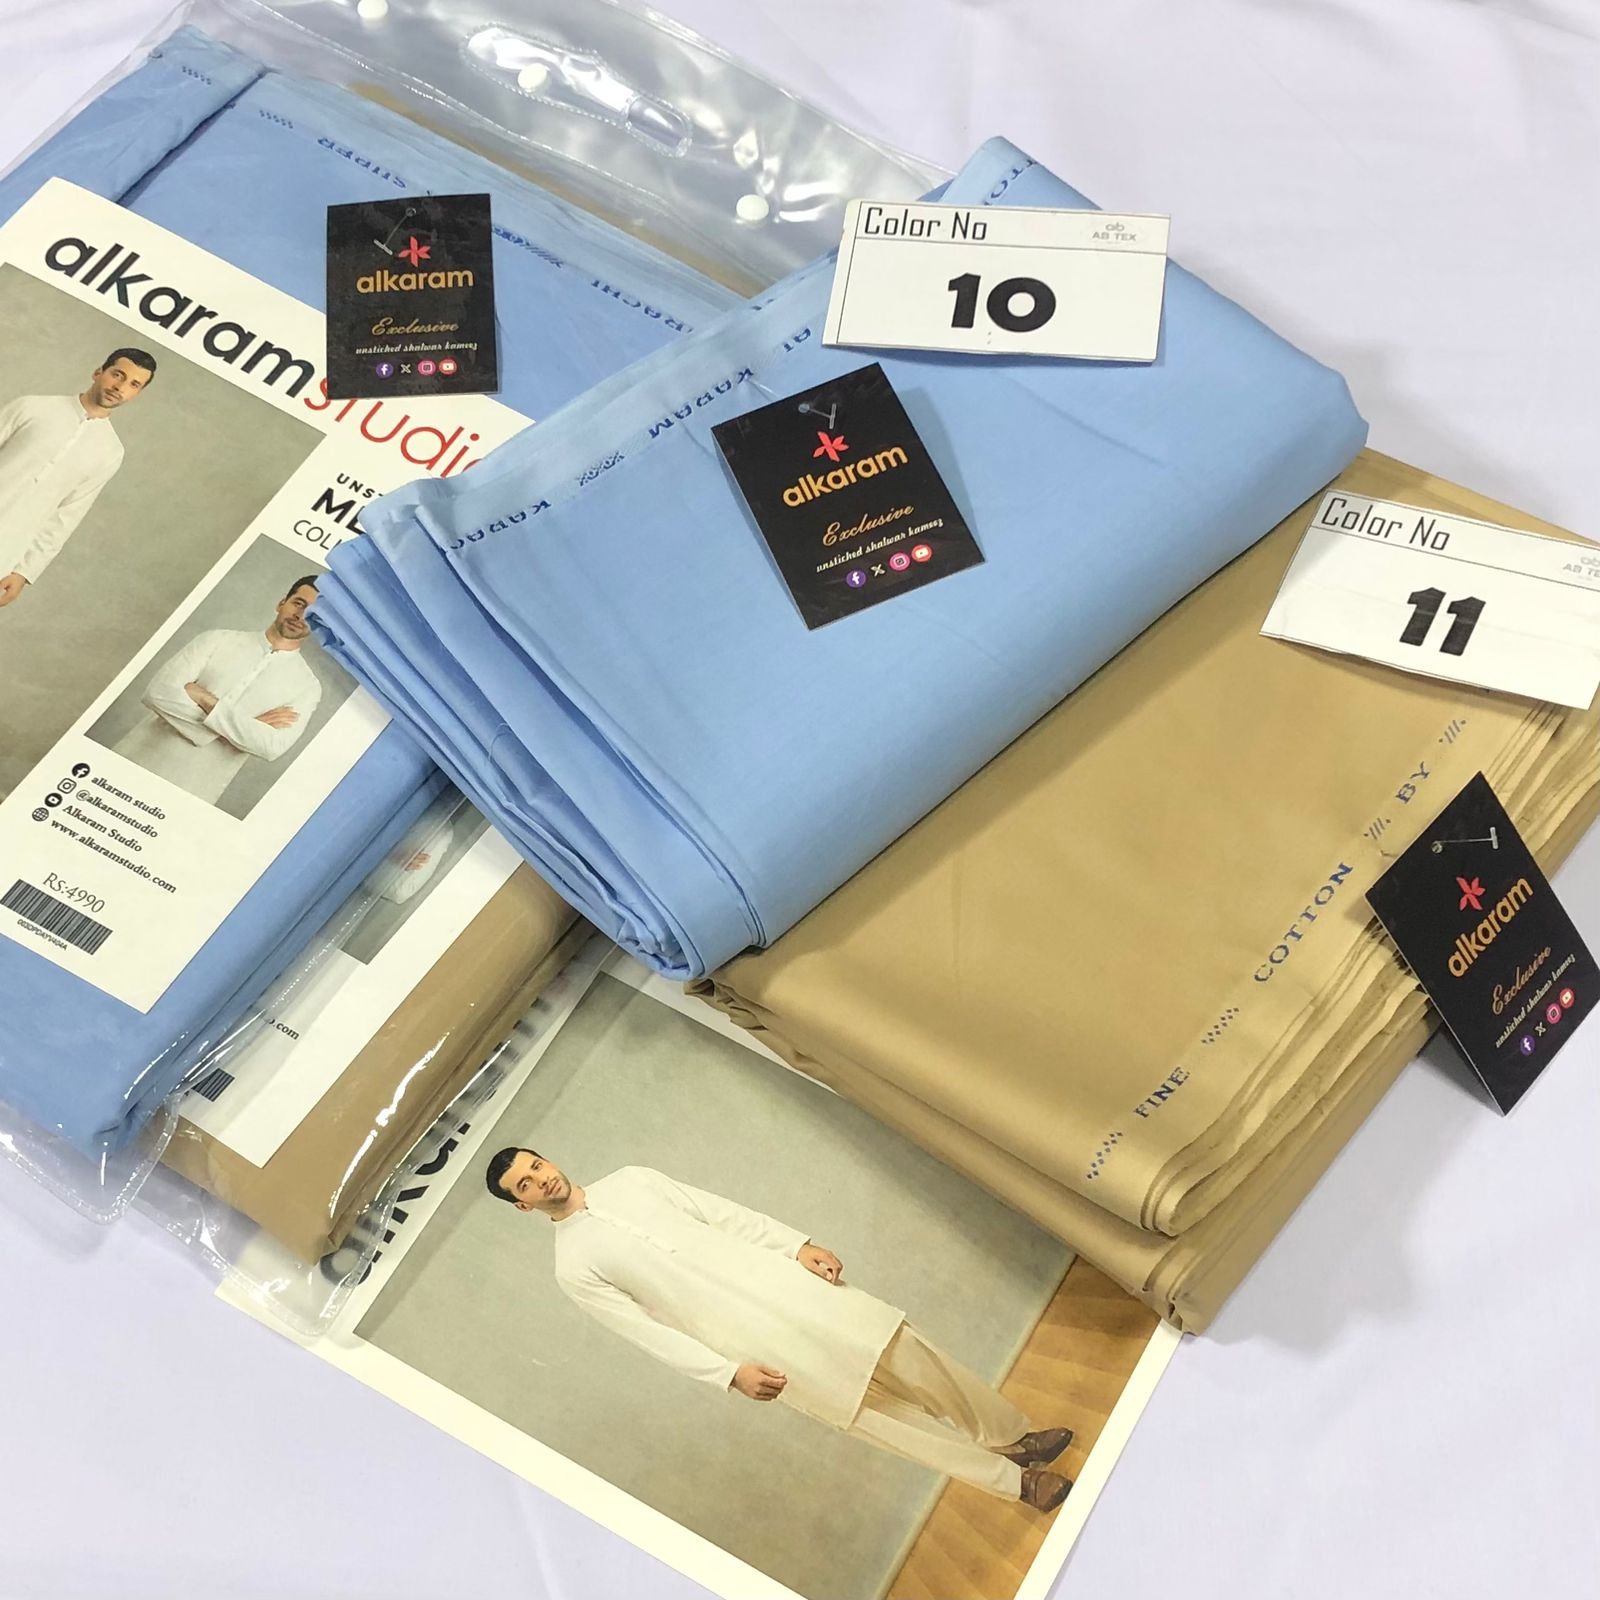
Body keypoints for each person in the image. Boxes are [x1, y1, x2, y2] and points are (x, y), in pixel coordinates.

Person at [485, 1151, 1076, 1511]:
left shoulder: (632, 1179)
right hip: (749, 1341)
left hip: (791, 1287)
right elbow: (647, 1334)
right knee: (878, 1417)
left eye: (536, 1166)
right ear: (521, 1206)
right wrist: (727, 1374)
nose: (540, 1180)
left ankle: (1014, 1438)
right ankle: (1017, 1484)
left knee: (910, 1353)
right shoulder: (573, 1266)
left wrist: (797, 1245)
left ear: (548, 1160)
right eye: (524, 1185)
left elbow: (724, 1214)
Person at [112, 574, 325, 804]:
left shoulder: (307, 686)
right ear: (281, 603)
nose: (300, 616)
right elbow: (157, 693)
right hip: (133, 762)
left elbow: (271, 747)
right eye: (298, 603)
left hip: (195, 793)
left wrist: (207, 701)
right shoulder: (216, 639)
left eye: (312, 613)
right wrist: (243, 727)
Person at [0, 348, 157, 607]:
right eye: (118, 375)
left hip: (6, 551)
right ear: (99, 372)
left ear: (137, 394)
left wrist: (24, 572)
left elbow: (67, 516)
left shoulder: (110, 452)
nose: (120, 387)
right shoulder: (32, 407)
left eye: (133, 384)